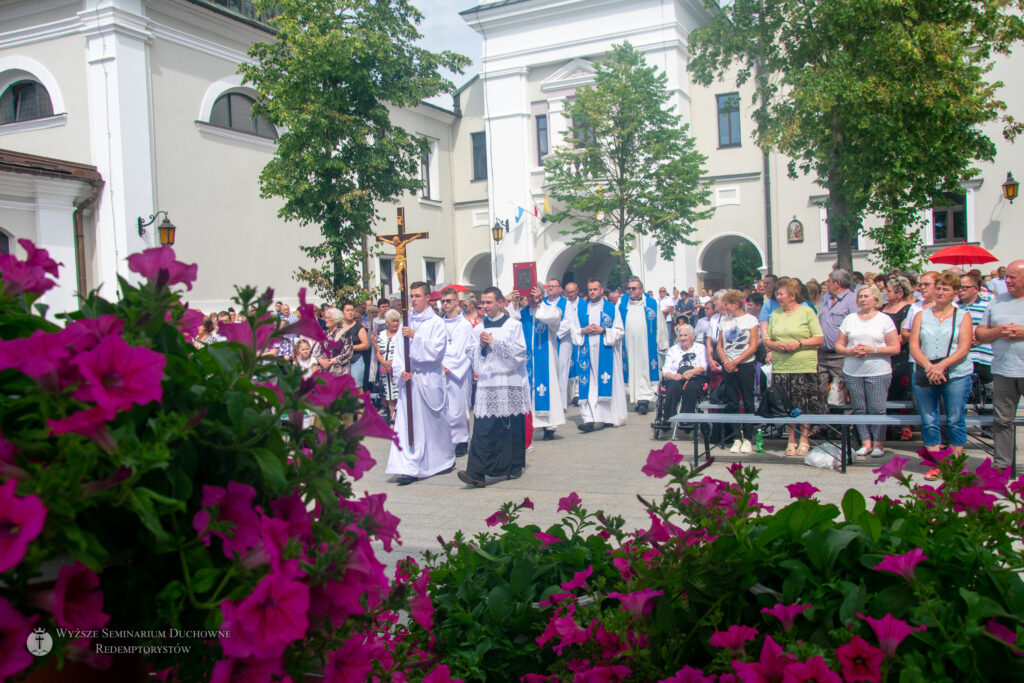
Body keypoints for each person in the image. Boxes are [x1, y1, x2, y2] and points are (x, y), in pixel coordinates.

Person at [458, 287, 529, 487]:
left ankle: (513, 466)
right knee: (483, 427)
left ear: (500, 302)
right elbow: (471, 353)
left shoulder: (513, 325)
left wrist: (494, 342)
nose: (484, 306)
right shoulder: (477, 328)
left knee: (510, 426)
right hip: (488, 383)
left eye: (489, 302)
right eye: (482, 303)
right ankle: (476, 472)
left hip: (508, 381)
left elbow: (520, 354)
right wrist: (480, 346)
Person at [386, 282, 454, 486]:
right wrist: (401, 371)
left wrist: (415, 337)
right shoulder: (407, 322)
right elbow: (398, 351)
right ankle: (409, 466)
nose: (413, 300)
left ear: (427, 298)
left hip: (428, 378)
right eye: (411, 296)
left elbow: (437, 352)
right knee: (408, 424)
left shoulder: (436, 323)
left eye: (417, 296)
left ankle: (443, 459)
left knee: (434, 423)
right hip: (410, 380)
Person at [910, 271, 975, 480]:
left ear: (954, 293)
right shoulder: (922, 315)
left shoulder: (963, 316)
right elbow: (914, 346)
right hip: (927, 370)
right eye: (938, 288)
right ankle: (935, 464)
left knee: (955, 418)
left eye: (945, 289)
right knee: (929, 419)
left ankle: (955, 463)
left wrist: (942, 366)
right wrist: (930, 366)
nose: (940, 292)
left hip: (956, 372)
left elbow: (964, 348)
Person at [835, 284, 900, 458]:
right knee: (859, 408)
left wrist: (874, 350)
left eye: (866, 296)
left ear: (876, 299)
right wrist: (850, 351)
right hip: (853, 370)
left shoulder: (884, 319)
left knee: (877, 408)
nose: (863, 299)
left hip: (878, 370)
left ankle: (878, 443)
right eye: (860, 296)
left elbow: (895, 347)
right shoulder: (850, 319)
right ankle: (865, 442)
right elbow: (839, 345)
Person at [764, 277, 825, 456]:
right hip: (782, 366)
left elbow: (819, 338)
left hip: (803, 366)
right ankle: (791, 439)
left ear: (792, 295)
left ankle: (804, 439)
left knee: (803, 403)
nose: (778, 297)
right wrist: (775, 346)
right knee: (787, 404)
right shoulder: (776, 314)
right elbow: (768, 339)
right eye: (777, 293)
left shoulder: (806, 312)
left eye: (781, 293)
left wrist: (798, 344)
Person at [976, 259, 1024, 473]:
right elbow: (980, 334)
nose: (1007, 280)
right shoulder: (996, 301)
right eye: (1007, 276)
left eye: (1013, 276)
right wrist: (998, 332)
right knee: (1002, 421)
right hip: (1004, 371)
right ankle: (1002, 467)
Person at [573, 277, 626, 431]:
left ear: (601, 290)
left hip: (605, 352)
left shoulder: (611, 308)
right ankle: (589, 419)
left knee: (606, 382)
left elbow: (620, 331)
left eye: (595, 289)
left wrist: (603, 330)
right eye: (590, 289)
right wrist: (583, 330)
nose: (592, 292)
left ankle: (608, 417)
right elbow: (573, 329)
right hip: (587, 353)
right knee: (588, 385)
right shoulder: (581, 309)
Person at [523, 280, 569, 438]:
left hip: (546, 360)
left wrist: (539, 302)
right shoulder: (522, 313)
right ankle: (529, 425)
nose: (530, 299)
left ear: (540, 294)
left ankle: (549, 427)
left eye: (532, 296)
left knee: (548, 389)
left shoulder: (551, 310)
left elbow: (554, 320)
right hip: (527, 361)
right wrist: (514, 303)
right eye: (527, 297)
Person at [717, 289, 759, 453]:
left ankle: (748, 436)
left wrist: (736, 361)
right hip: (728, 365)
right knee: (732, 401)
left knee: (748, 400)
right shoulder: (724, 321)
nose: (724, 307)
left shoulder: (751, 320)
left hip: (745, 364)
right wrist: (726, 361)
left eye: (726, 304)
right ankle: (736, 437)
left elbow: (753, 345)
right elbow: (719, 345)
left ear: (736, 304)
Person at [621, 277, 668, 414]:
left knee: (645, 370)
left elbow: (660, 324)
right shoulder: (623, 305)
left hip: (646, 346)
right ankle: (636, 398)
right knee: (632, 371)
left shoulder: (651, 305)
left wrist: (663, 343)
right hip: (628, 345)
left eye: (634, 288)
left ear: (641, 290)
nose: (631, 291)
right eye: (629, 288)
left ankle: (644, 400)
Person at [439, 288, 475, 456]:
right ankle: (445, 440)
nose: (445, 304)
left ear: (457, 303)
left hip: (457, 372)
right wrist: (439, 365)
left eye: (448, 301)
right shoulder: (438, 324)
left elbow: (466, 351)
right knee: (443, 408)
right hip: (440, 370)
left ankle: (462, 440)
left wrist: (450, 367)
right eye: (443, 301)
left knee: (458, 408)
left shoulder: (465, 325)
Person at [818, 269, 858, 401]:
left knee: (843, 391)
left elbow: (855, 325)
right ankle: (821, 421)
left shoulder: (852, 300)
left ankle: (846, 421)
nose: (827, 284)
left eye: (829, 281)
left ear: (838, 283)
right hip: (822, 354)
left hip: (840, 356)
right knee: (820, 390)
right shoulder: (826, 298)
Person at [660, 323, 708, 430]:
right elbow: (665, 369)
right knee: (673, 386)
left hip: (694, 376)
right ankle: (668, 417)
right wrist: (672, 376)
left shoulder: (700, 348)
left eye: (685, 335)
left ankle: (686, 418)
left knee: (691, 387)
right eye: (680, 336)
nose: (683, 338)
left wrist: (693, 372)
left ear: (692, 336)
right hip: (676, 377)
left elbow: (704, 366)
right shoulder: (673, 350)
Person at [958, 272, 994, 394]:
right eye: (959, 287)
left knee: (989, 398)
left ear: (976, 289)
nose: (961, 291)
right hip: (962, 359)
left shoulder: (988, 305)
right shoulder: (954, 307)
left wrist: (982, 337)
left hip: (984, 357)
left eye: (965, 288)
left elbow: (997, 328)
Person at [375, 309, 401, 424]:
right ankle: (392, 419)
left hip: (397, 369)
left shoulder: (400, 334)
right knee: (390, 395)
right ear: (387, 323)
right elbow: (378, 352)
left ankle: (400, 418)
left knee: (398, 395)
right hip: (385, 370)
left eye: (397, 321)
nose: (395, 323)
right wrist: (384, 362)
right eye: (393, 321)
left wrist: (393, 363)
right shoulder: (382, 335)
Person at [313, 307, 353, 377]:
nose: (326, 320)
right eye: (325, 318)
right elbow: (316, 353)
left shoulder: (345, 333)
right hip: (325, 373)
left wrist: (330, 361)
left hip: (340, 372)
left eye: (329, 318)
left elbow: (348, 353)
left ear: (336, 320)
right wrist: (321, 361)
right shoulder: (323, 334)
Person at [339, 302, 370, 389]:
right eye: (347, 310)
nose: (350, 312)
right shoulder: (338, 327)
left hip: (355, 360)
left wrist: (350, 347)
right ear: (342, 312)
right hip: (342, 362)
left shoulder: (359, 327)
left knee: (357, 388)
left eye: (352, 310)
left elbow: (365, 345)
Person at [563, 281, 581, 405]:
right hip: (567, 339)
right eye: (568, 292)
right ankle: (571, 393)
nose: (570, 294)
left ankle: (578, 392)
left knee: (580, 365)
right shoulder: (563, 304)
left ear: (577, 291)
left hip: (580, 339)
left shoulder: (585, 305)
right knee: (570, 367)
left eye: (572, 291)